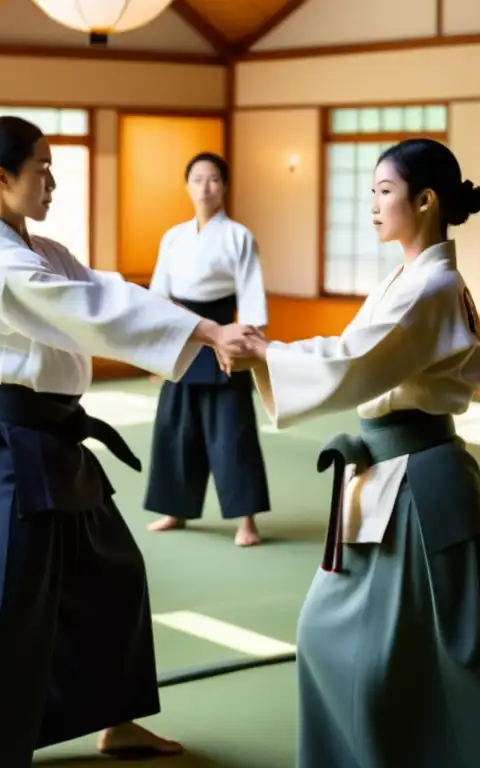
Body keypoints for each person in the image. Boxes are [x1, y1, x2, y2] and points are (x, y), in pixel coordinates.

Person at [0, 117, 256, 768]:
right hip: (10, 443)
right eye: (43, 170)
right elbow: (95, 316)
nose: (52, 182)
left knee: (113, 573)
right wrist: (205, 330)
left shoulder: (40, 249)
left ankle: (116, 722)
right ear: (1, 179)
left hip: (56, 439)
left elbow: (104, 293)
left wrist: (206, 329)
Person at [224, 139, 480, 768]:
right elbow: (357, 351)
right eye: (371, 192)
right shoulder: (411, 278)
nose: (371, 205)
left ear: (425, 201)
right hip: (390, 478)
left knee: (457, 654)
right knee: (340, 637)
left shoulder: (433, 287)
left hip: (419, 488)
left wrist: (265, 353)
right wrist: (269, 353)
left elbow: (357, 362)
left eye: (383, 191)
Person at [144, 152, 271, 547]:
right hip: (182, 332)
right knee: (175, 428)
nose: (205, 186)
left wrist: (246, 345)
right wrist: (156, 349)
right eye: (198, 179)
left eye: (214, 179)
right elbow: (158, 296)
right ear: (187, 186)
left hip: (225, 333)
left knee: (231, 431)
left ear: (225, 186)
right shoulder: (173, 236)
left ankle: (246, 520)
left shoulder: (238, 236)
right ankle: (175, 508)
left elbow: (250, 295)